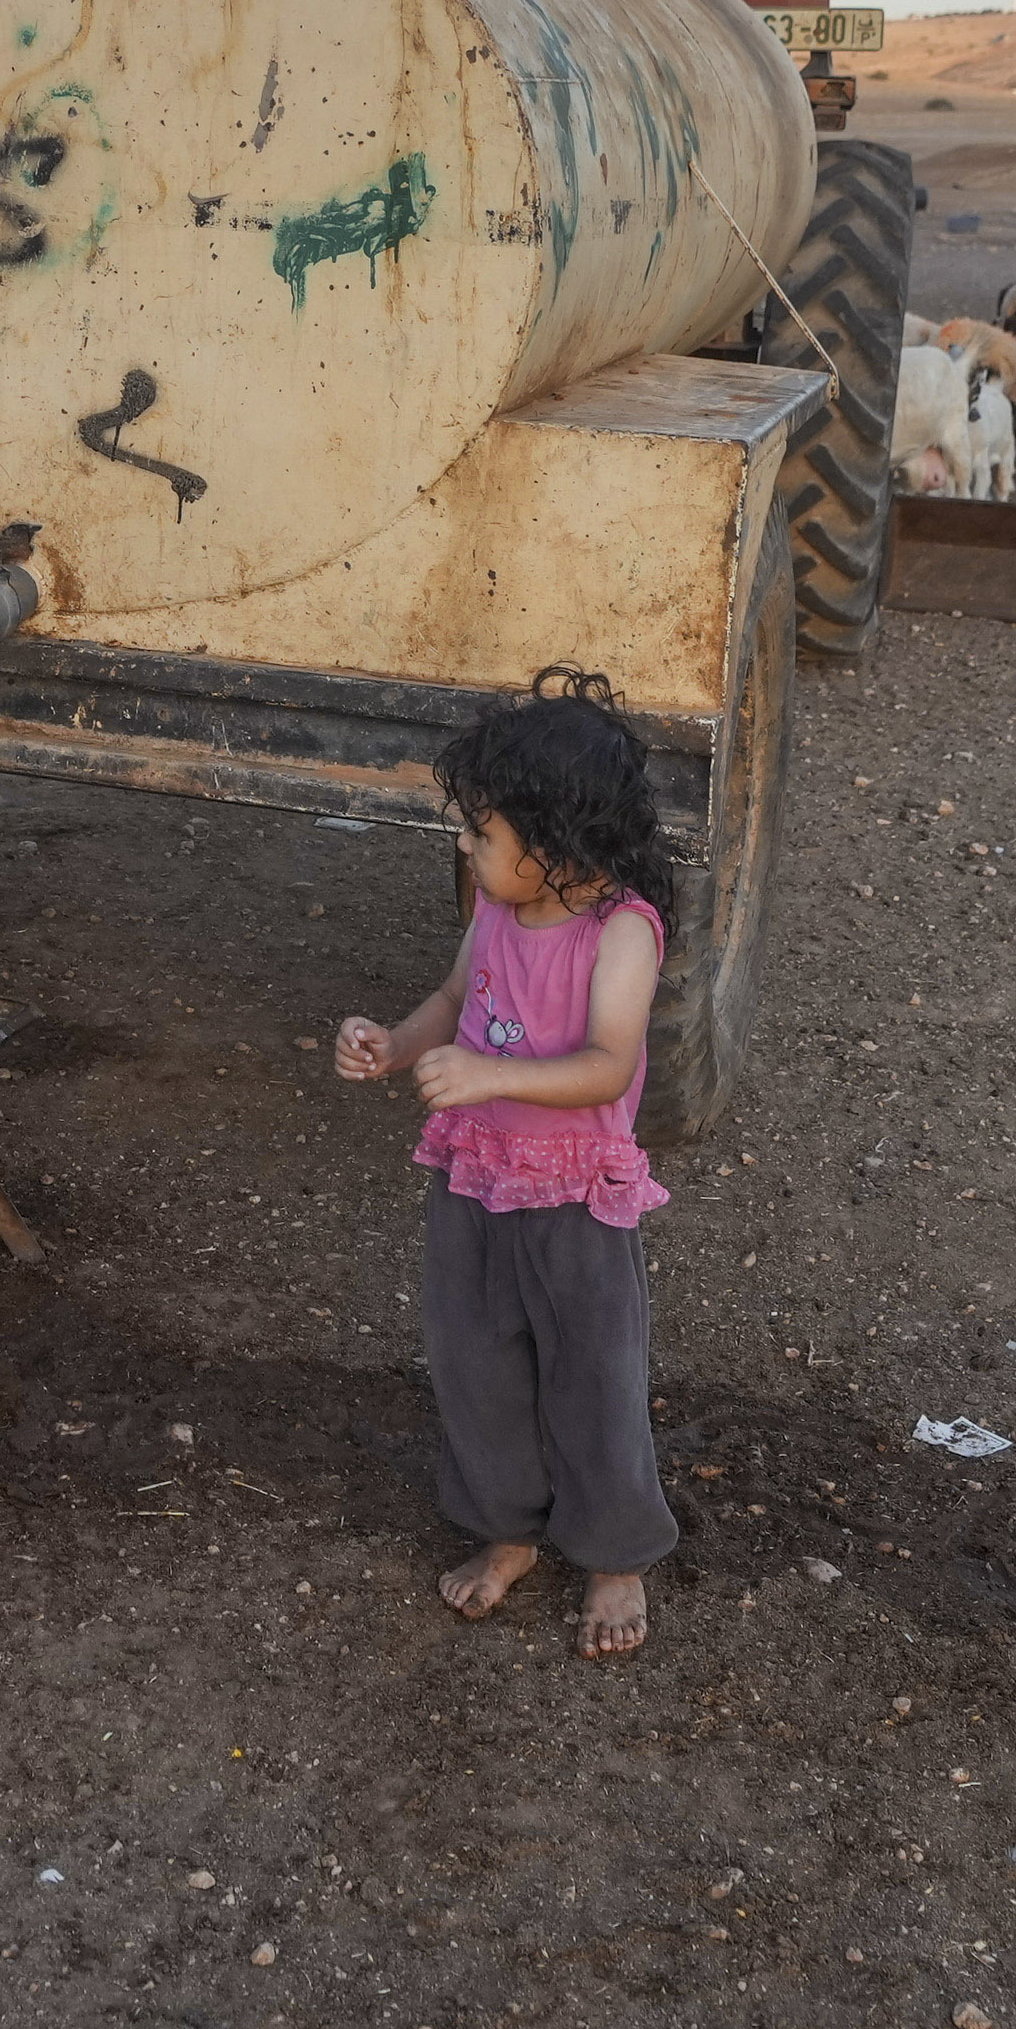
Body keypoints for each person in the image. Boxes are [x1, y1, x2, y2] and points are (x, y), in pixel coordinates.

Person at [334, 689, 678, 1659]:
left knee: (590, 1375)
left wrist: (491, 1073)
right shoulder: (494, 906)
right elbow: (453, 998)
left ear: (560, 843)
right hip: (473, 1178)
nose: (467, 849)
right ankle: (510, 1530)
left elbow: (608, 1062)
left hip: (573, 1196)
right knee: (473, 1361)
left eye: (482, 831)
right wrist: (390, 1044)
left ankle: (612, 1553)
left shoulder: (620, 932)